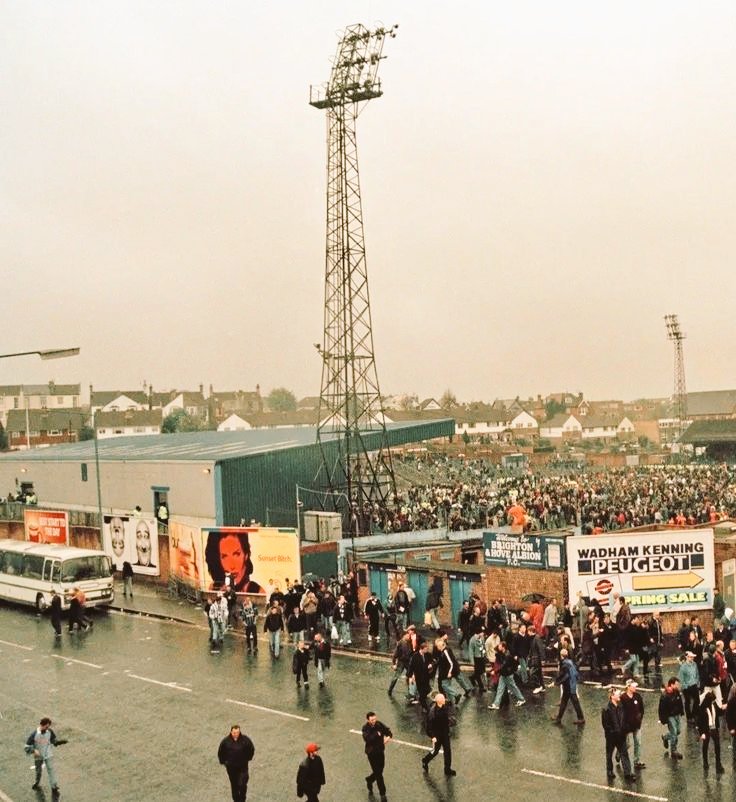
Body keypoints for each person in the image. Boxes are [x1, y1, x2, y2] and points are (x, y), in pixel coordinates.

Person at [25, 716, 65, 798]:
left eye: (48, 727)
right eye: (46, 727)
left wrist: (59, 742)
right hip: (39, 756)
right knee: (38, 771)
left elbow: (53, 740)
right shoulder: (34, 734)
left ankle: (54, 787)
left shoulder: (49, 731)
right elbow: (26, 747)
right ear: (41, 725)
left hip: (48, 754)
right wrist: (33, 750)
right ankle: (37, 782)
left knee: (51, 770)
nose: (47, 729)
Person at [602, 687, 635, 781]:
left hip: (621, 735)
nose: (619, 695)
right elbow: (606, 725)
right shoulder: (606, 709)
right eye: (617, 694)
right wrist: (613, 732)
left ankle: (628, 773)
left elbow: (623, 719)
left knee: (624, 753)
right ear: (612, 696)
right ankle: (609, 771)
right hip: (611, 737)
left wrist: (624, 729)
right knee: (609, 754)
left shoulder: (620, 706)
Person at [218, 724, 255, 802]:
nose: (236, 734)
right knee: (234, 785)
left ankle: (242, 799)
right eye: (234, 732)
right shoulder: (226, 742)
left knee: (242, 783)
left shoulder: (245, 740)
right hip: (231, 768)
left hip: (243, 767)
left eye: (237, 732)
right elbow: (221, 752)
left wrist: (248, 759)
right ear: (231, 732)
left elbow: (251, 749)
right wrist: (224, 762)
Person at [422, 693, 455, 777]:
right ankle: (425, 760)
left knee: (447, 751)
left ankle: (447, 769)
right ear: (439, 701)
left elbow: (448, 717)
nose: (445, 699)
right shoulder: (432, 712)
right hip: (437, 735)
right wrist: (432, 736)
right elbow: (429, 726)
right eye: (443, 698)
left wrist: (450, 721)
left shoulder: (445, 706)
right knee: (435, 751)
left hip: (445, 733)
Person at [361, 711, 392, 802]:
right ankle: (383, 794)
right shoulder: (365, 728)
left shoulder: (379, 724)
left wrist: (388, 737)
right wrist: (376, 734)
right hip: (372, 753)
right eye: (372, 720)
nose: (374, 721)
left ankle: (369, 779)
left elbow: (388, 731)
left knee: (380, 769)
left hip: (380, 751)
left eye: (375, 719)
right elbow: (367, 739)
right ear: (368, 720)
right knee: (379, 774)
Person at [488, 640, 526, 710]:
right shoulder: (503, 653)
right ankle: (496, 704)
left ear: (503, 647)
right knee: (500, 689)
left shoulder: (507, 655)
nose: (498, 646)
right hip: (504, 674)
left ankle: (521, 699)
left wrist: (495, 672)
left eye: (500, 645)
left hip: (508, 674)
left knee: (513, 688)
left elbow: (503, 666)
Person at [551, 648, 584, 725]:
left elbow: (564, 676)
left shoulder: (564, 664)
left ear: (561, 656)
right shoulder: (570, 662)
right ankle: (559, 718)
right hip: (572, 684)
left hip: (568, 686)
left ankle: (581, 718)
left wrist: (556, 683)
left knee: (571, 702)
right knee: (565, 701)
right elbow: (575, 673)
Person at [697, 690, 725, 774]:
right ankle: (705, 762)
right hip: (706, 729)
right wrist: (701, 733)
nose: (713, 702)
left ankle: (718, 763)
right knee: (705, 745)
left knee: (717, 745)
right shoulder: (702, 709)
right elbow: (699, 722)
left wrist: (723, 708)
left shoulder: (714, 705)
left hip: (714, 728)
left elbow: (719, 713)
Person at [621, 679, 645, 769]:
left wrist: (640, 718)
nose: (635, 687)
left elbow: (642, 709)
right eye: (634, 686)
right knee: (627, 744)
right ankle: (619, 753)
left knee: (638, 742)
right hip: (627, 725)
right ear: (628, 687)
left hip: (637, 724)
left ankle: (637, 761)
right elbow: (621, 712)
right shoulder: (623, 698)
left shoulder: (637, 696)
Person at [658, 677, 684, 760]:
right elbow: (661, 708)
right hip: (670, 716)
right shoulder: (665, 695)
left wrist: (681, 711)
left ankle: (665, 737)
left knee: (678, 731)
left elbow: (680, 702)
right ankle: (674, 750)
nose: (678, 686)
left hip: (677, 715)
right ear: (672, 684)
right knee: (674, 732)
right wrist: (663, 719)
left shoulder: (677, 692)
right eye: (676, 684)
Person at [678, 650, 700, 721]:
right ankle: (689, 717)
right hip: (687, 687)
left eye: (692, 657)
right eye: (690, 657)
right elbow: (681, 678)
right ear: (687, 657)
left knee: (697, 700)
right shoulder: (683, 667)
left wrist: (697, 682)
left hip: (694, 685)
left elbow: (697, 674)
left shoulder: (695, 664)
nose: (692, 658)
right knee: (687, 702)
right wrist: (685, 686)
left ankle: (694, 713)